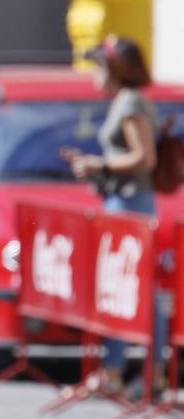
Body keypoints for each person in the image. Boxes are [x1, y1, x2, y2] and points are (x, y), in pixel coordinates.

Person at [61, 34, 165, 397]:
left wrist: (98, 164)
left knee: (133, 288)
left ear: (115, 68)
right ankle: (116, 371)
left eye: (99, 66)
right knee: (118, 289)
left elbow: (145, 158)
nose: (94, 75)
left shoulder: (132, 103)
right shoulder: (126, 101)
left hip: (131, 204)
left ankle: (150, 373)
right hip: (123, 202)